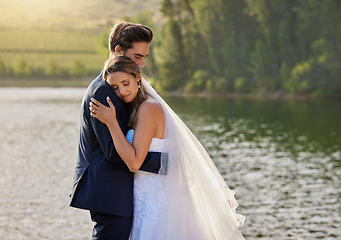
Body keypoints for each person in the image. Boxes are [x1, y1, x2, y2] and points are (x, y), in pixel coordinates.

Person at [90, 56, 246, 239]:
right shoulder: (138, 107)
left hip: (156, 201)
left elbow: (134, 163)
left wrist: (111, 123)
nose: (122, 91)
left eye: (126, 83)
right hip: (144, 196)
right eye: (115, 88)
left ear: (137, 78)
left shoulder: (149, 108)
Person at [69, 21, 164, 240]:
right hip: (109, 190)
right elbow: (113, 151)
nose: (141, 64)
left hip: (116, 191)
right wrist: (165, 163)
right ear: (119, 51)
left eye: (144, 58)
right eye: (137, 56)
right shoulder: (104, 92)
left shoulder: (113, 86)